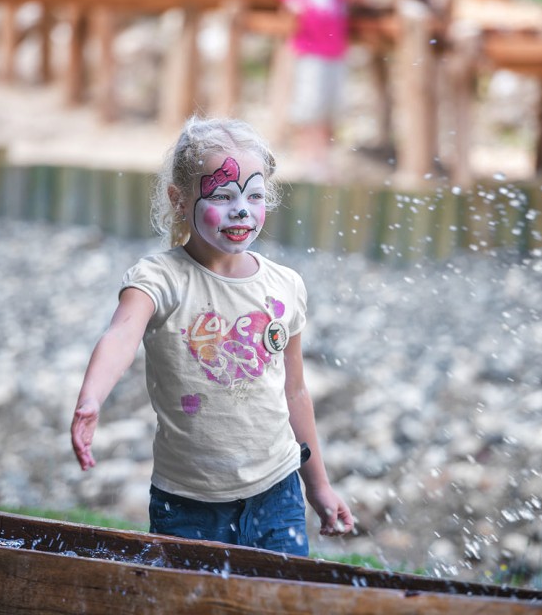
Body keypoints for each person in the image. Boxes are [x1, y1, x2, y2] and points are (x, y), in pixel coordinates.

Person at [71, 116, 354, 556]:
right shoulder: (160, 278)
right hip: (187, 504)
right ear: (179, 200)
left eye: (255, 195)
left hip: (277, 493)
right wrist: (91, 397)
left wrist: (318, 485)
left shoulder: (285, 285)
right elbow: (122, 334)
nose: (241, 209)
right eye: (222, 196)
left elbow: (295, 392)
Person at [280, 0, 362, 176]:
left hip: (336, 54)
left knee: (330, 107)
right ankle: (305, 155)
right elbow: (290, 4)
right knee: (310, 107)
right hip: (311, 53)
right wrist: (297, 7)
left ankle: (322, 156)